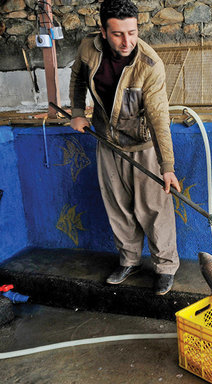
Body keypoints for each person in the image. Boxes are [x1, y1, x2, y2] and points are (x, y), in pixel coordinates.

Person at [69, 0, 180, 295]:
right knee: (117, 207)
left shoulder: (149, 65)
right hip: (107, 142)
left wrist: (167, 167)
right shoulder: (88, 50)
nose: (127, 41)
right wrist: (78, 111)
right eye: (118, 34)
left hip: (144, 146)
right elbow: (78, 77)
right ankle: (129, 260)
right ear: (103, 31)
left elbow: (159, 119)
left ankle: (165, 267)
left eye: (132, 32)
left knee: (154, 209)